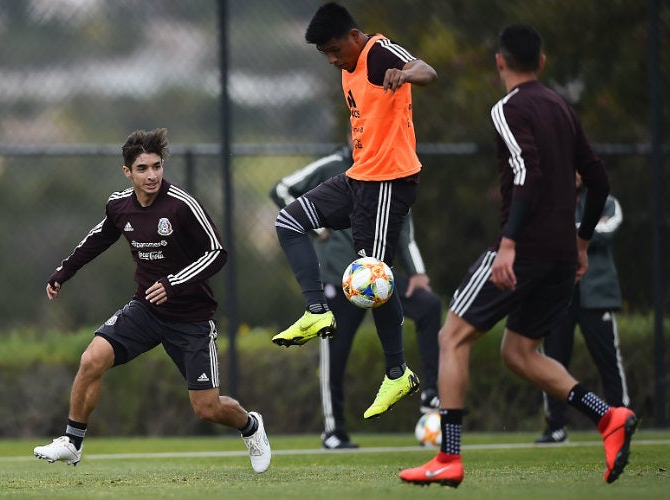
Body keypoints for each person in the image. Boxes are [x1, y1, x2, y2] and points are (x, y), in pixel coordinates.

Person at [399, 24, 637, 488]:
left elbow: (527, 172)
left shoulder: (507, 108)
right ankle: (609, 417)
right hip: (560, 256)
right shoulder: (562, 108)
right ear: (542, 63)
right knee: (519, 351)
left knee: (451, 337)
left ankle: (447, 457)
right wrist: (582, 242)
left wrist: (508, 244)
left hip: (522, 249)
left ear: (499, 62)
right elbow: (598, 179)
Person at [33, 128, 271, 473]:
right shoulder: (119, 206)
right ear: (127, 172)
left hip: (191, 318)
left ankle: (251, 426)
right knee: (91, 359)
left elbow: (218, 252)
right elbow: (97, 239)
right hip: (145, 310)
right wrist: (63, 273)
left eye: (157, 166)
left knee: (206, 408)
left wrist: (173, 283)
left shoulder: (182, 205)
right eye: (142, 168)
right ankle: (72, 442)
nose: (152, 175)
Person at [272, 2, 437, 420]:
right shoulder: (347, 68)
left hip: (389, 182)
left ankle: (398, 373)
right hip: (359, 177)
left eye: (333, 50)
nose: (331, 60)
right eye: (323, 54)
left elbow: (427, 71)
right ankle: (315, 311)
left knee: (372, 276)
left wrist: (406, 73)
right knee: (289, 220)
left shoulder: (378, 51)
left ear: (354, 36)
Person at [270, 145, 441, 449]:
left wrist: (416, 270)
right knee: (335, 354)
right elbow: (281, 189)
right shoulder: (334, 166)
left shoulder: (390, 168)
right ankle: (334, 430)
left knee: (428, 305)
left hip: (377, 275)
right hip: (339, 279)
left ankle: (429, 393)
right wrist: (319, 227)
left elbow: (404, 224)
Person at [537, 176, 629, 443]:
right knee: (551, 360)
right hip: (559, 295)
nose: (573, 172)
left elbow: (608, 229)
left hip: (596, 295)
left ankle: (620, 419)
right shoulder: (550, 204)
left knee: (608, 360)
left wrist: (566, 230)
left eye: (577, 167)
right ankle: (556, 427)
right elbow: (542, 234)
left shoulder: (606, 203)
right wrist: (586, 229)